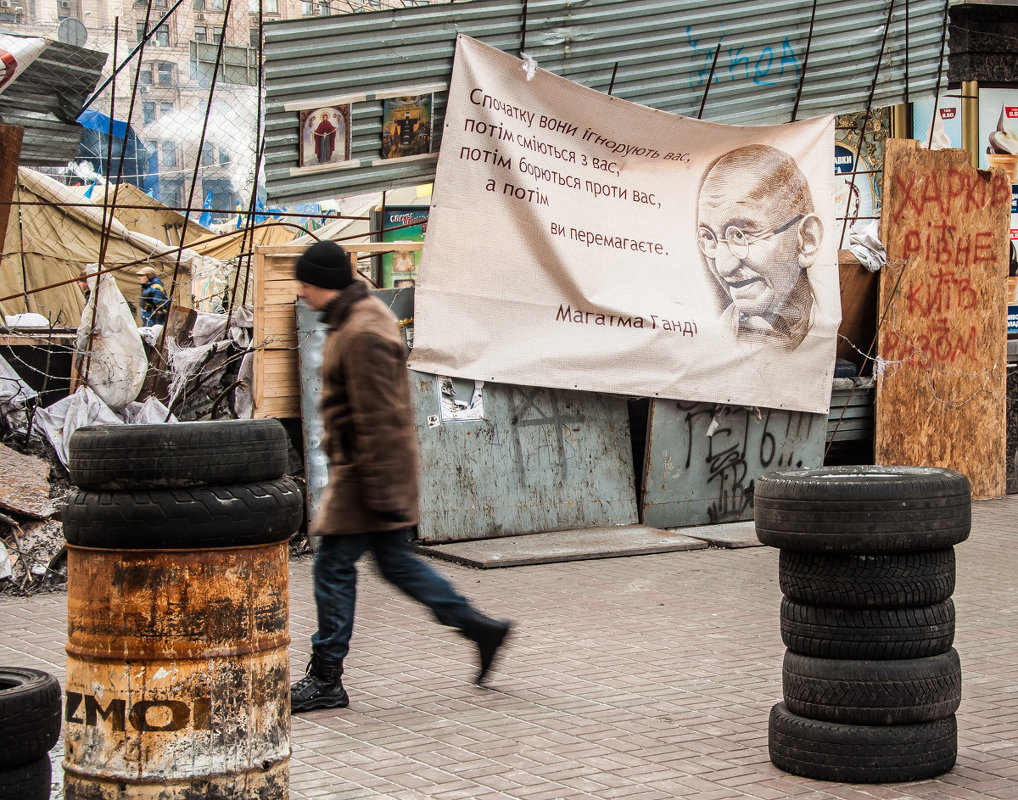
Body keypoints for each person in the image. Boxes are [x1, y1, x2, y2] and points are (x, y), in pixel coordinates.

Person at [290, 240, 512, 712]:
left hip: (368, 479)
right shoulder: (354, 319)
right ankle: (481, 629)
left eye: (306, 285)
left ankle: (327, 677)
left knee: (332, 566)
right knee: (396, 566)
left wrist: (381, 493)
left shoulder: (364, 330)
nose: (303, 294)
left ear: (324, 285)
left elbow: (382, 419)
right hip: (370, 477)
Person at [696, 144, 824, 350]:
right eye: (709, 238)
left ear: (807, 240)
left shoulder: (835, 327)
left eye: (741, 235)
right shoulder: (708, 346)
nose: (723, 266)